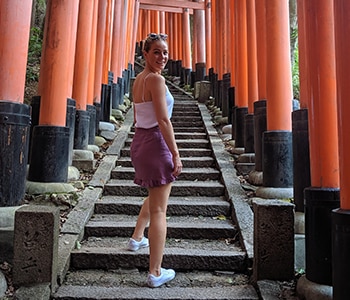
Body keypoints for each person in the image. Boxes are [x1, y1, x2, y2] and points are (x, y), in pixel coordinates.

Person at [127, 33, 182, 288]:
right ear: (146, 54)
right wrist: (175, 153)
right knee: (160, 209)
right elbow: (163, 120)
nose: (162, 57)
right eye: (157, 52)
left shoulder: (139, 79)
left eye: (165, 52)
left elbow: (141, 115)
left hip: (140, 141)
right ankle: (155, 272)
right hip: (155, 142)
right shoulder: (155, 81)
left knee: (155, 196)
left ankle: (137, 237)